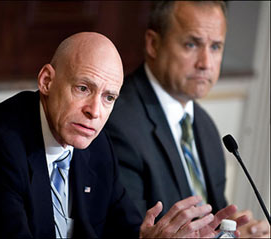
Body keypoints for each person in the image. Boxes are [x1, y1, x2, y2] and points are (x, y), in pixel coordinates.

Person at [0, 32, 248, 238]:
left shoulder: (96, 146)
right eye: (83, 89)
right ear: (47, 81)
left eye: (109, 97)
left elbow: (127, 230)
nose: (95, 111)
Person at [105, 1, 270, 238]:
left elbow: (214, 220)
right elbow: (130, 231)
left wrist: (235, 233)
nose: (205, 63)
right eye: (191, 44)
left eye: (215, 47)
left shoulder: (205, 127)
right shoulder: (118, 122)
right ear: (153, 44)